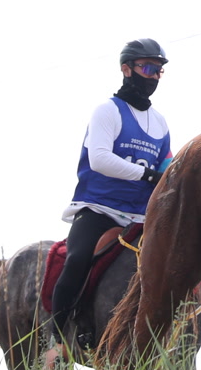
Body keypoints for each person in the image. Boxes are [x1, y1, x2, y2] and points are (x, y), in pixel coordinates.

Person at [49, 39, 173, 347]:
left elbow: (167, 165)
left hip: (141, 217)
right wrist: (147, 174)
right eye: (148, 68)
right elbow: (100, 158)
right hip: (98, 210)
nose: (154, 76)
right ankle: (56, 340)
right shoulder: (107, 111)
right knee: (76, 261)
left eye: (158, 71)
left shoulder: (160, 123)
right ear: (126, 69)